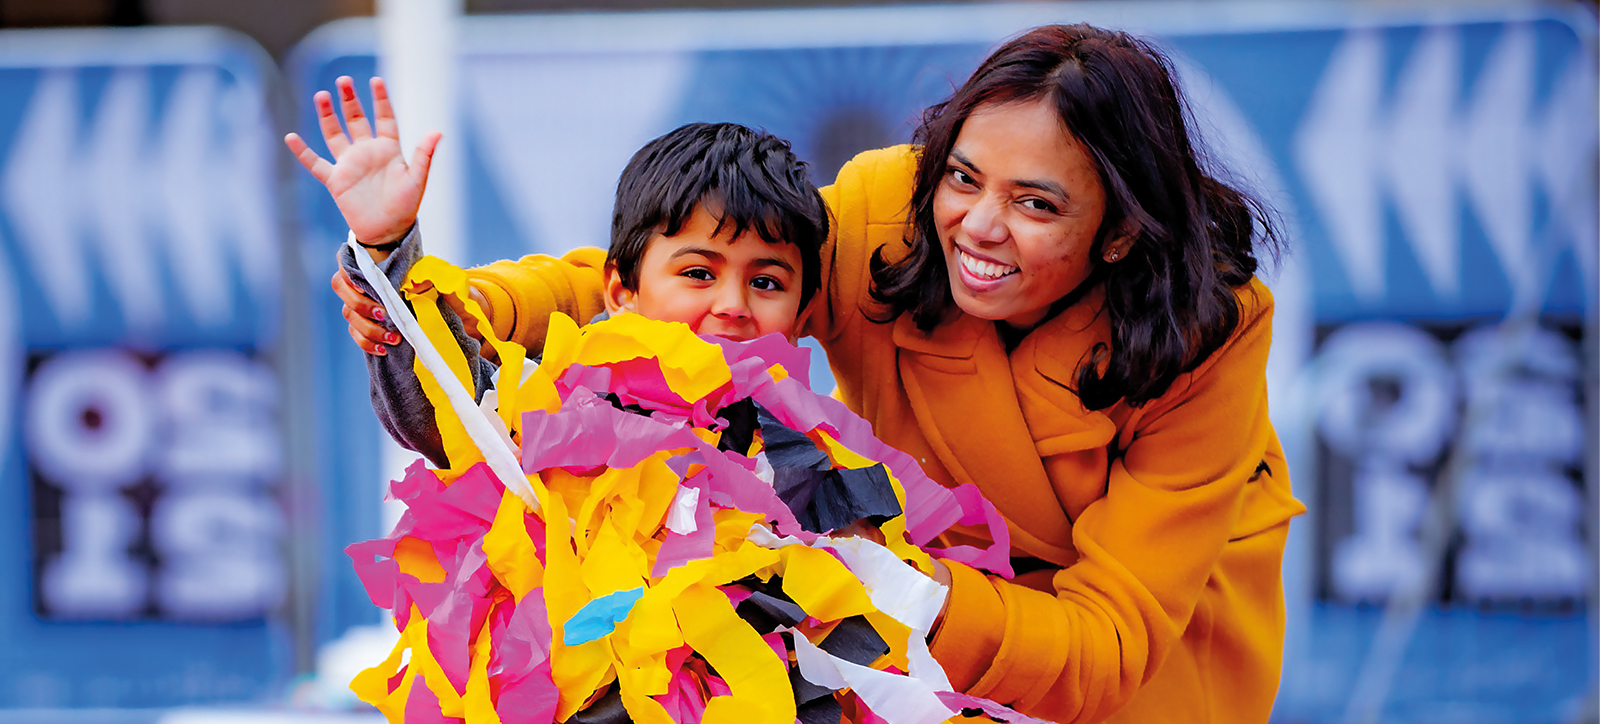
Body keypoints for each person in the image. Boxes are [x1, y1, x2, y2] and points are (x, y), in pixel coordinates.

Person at [326, 24, 1305, 723]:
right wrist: (438, 299)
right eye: (962, 175)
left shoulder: (1205, 333)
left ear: (1120, 231)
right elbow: (678, 277)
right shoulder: (889, 212)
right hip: (908, 615)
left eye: (1035, 203)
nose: (975, 224)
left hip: (1128, 663)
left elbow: (1107, 647)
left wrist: (887, 585)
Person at [287, 78, 827, 468]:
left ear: (802, 315)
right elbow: (446, 419)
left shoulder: (821, 456)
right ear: (621, 291)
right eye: (698, 274)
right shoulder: (568, 401)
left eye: (765, 283)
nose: (732, 304)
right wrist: (388, 248)